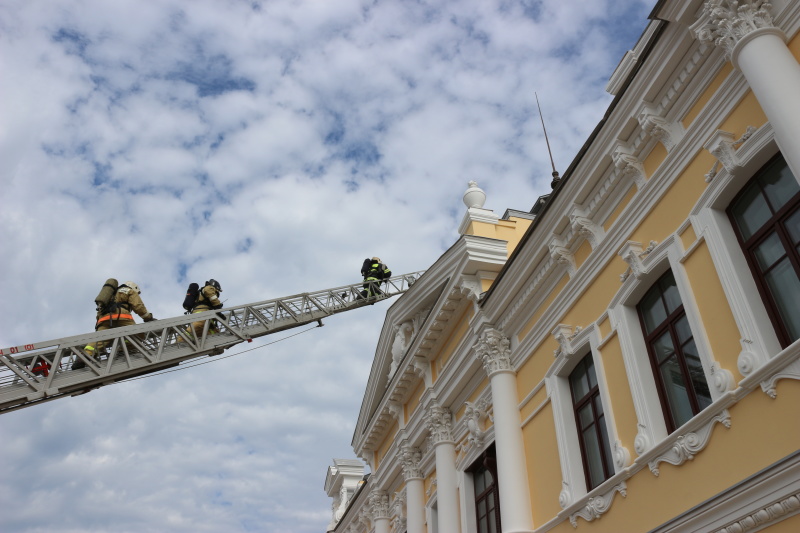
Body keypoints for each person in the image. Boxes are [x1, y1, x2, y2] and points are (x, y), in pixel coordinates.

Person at [76, 281, 155, 369]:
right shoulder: (129, 291)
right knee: (138, 333)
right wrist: (148, 318)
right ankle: (125, 350)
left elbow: (99, 312)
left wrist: (99, 325)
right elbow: (138, 306)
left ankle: (84, 357)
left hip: (104, 320)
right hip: (122, 318)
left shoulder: (109, 295)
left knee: (99, 340)